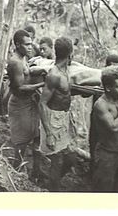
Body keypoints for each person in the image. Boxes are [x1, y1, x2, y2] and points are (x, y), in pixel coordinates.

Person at [39, 37, 76, 191]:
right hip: (53, 119)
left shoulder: (66, 70)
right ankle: (54, 191)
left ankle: (51, 182)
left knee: (71, 158)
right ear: (70, 54)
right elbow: (42, 104)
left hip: (63, 119)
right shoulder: (54, 75)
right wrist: (48, 133)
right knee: (58, 161)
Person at [90, 66, 118, 192]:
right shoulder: (101, 104)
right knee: (105, 189)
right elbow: (113, 127)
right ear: (108, 88)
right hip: (107, 154)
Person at [6, 29, 45, 175]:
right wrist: (41, 85)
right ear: (17, 44)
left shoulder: (22, 58)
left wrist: (41, 70)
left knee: (34, 135)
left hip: (29, 102)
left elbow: (27, 72)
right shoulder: (15, 62)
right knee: (21, 142)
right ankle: (16, 172)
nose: (30, 47)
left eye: (31, 44)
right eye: (27, 44)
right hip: (20, 104)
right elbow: (20, 87)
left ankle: (35, 170)